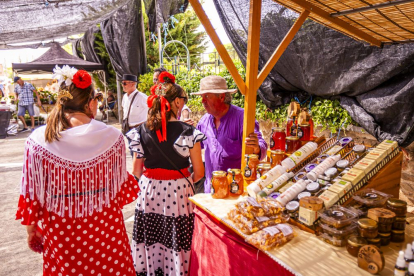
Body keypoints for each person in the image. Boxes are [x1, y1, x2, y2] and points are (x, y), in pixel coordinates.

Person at [16, 66, 139, 276]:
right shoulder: (112, 137)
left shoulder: (37, 141)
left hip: (62, 230)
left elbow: (32, 192)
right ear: (90, 102)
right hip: (106, 227)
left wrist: (31, 229)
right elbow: (119, 191)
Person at [126, 71, 205, 275]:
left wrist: (155, 179)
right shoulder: (189, 132)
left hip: (149, 190)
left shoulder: (141, 130)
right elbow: (199, 172)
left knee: (152, 233)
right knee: (177, 235)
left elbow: (136, 170)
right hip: (179, 191)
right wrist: (180, 180)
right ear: (177, 102)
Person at [194, 75, 268, 193]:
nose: (203, 101)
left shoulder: (243, 118)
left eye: (206, 96)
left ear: (222, 96)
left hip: (235, 192)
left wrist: (257, 148)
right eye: (202, 97)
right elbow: (196, 147)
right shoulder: (204, 122)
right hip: (211, 191)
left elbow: (261, 146)